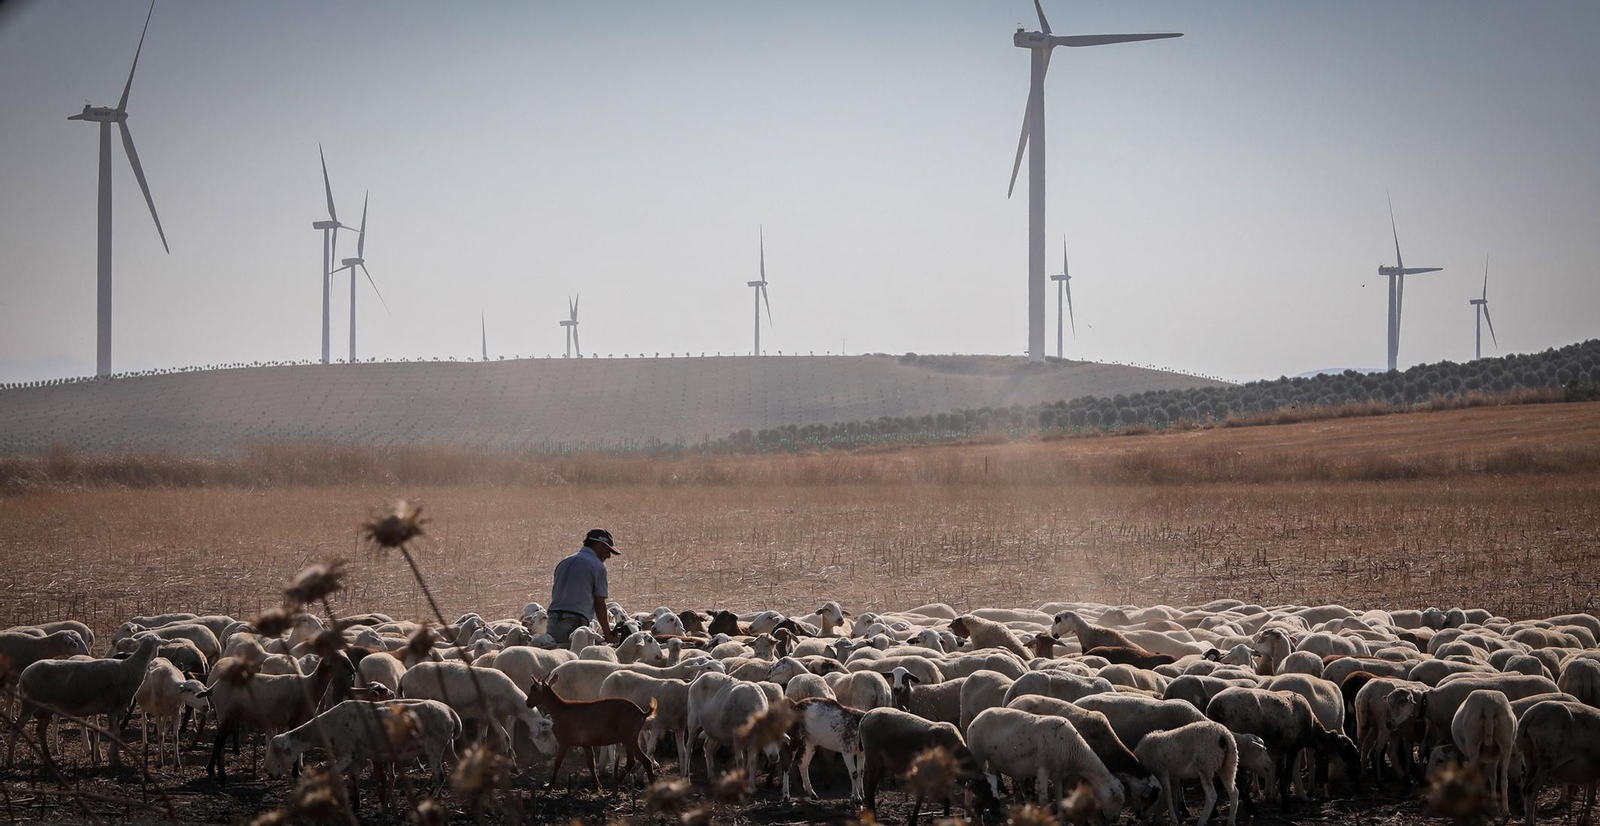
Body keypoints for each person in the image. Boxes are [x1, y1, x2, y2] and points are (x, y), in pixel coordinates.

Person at [548, 528, 618, 645]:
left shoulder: (564, 562)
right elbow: (599, 603)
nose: (609, 556)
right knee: (574, 659)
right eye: (607, 550)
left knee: (554, 659)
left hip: (551, 619)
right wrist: (607, 634)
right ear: (599, 545)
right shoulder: (598, 567)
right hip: (575, 621)